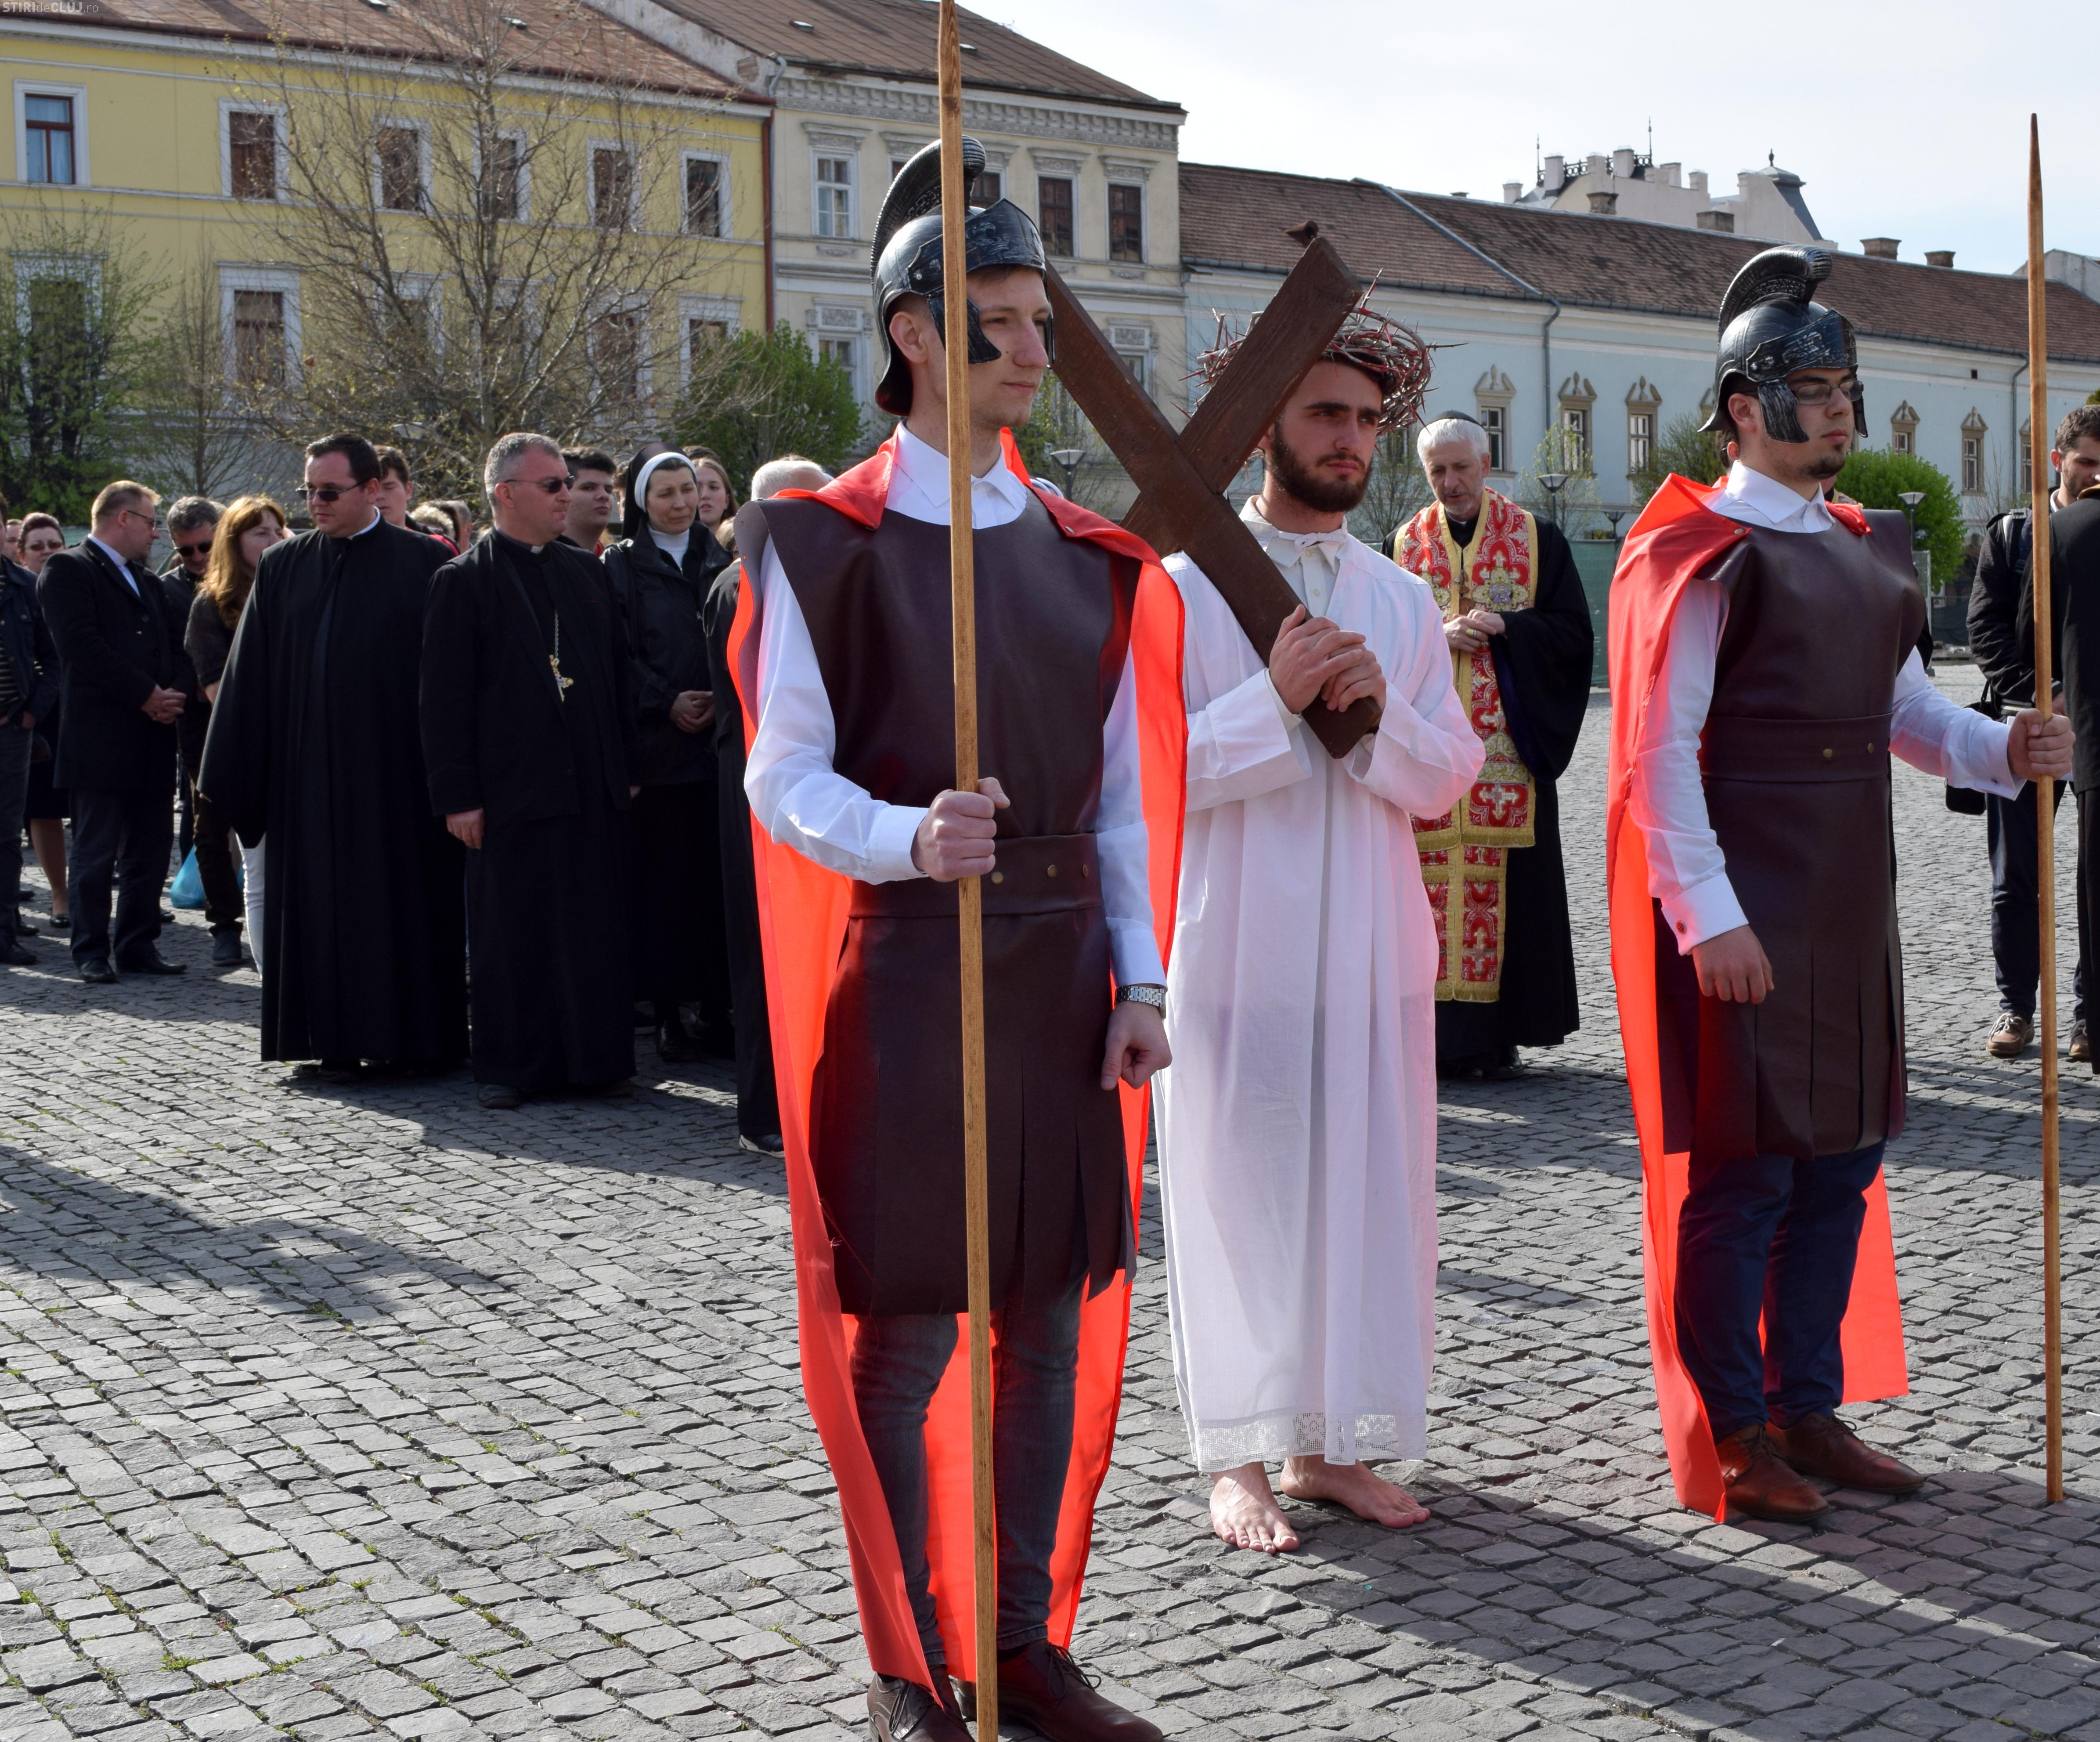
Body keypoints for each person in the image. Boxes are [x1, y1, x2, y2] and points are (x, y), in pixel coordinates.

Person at [737, 138, 1180, 1742]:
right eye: (1001, 318)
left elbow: (1120, 796)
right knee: (912, 1324)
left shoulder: (1084, 558)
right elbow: (779, 772)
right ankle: (905, 1663)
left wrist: (1141, 980)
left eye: (1041, 319)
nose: (1033, 346)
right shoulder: (823, 546)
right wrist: (905, 835)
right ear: (914, 331)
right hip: (912, 974)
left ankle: (1015, 1644)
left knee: (1042, 1321)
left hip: (1059, 976)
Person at [1608, 246, 2074, 1523]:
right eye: (1813, 390)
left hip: (1847, 900)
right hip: (1747, 904)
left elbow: (1908, 715)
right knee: (1747, 1175)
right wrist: (1708, 917)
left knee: (1840, 1164)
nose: (1839, 409)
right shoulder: (1695, 552)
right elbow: (1654, 754)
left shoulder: (1870, 550)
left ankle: (1806, 1403)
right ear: (1744, 405)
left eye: (1845, 388)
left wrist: (2005, 747)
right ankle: (1734, 1428)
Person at [1154, 314, 1482, 1556]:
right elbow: (1140, 773)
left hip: (1369, 938)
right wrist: (1274, 703)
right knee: (1236, 1187)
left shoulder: (1400, 597)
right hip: (1233, 930)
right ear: (1262, 430)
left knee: (1361, 1182)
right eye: (1323, 415)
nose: (1348, 439)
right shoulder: (1182, 586)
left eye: (1362, 420)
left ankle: (1328, 1441)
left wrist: (1376, 709)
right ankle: (1236, 1453)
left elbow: (1447, 773)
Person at [200, 434, 468, 1078]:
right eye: (308, 491)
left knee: (401, 912)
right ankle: (332, 1043)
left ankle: (415, 1045)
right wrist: (233, 774)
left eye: (329, 491)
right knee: (320, 914)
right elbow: (249, 677)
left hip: (399, 784)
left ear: (372, 489)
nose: (314, 503)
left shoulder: (426, 561)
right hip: (310, 783)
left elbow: (453, 678)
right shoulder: (284, 566)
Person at [422, 433, 640, 1110]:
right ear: (506, 493)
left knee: (591, 924)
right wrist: (458, 796)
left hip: (589, 784)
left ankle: (597, 1061)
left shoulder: (586, 572)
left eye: (567, 483)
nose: (566, 495)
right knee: (512, 930)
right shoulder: (462, 581)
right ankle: (513, 1065)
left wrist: (627, 766)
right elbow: (443, 699)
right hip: (508, 791)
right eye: (552, 485)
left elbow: (619, 675)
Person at [1394, 415, 1591, 1079]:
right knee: (1421, 897)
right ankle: (1433, 1041)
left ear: (1486, 464)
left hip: (1508, 757)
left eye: (1461, 468)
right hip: (1427, 757)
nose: (1450, 482)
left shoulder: (1538, 538)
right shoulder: (1402, 544)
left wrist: (1510, 627)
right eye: (1437, 471)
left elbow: (1573, 636)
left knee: (1508, 895)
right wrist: (1435, 635)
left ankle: (1496, 1039)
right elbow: (1375, 637)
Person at [702, 456, 831, 1156]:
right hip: (760, 782)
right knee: (766, 948)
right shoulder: (746, 582)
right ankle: (769, 1110)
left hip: (802, 780)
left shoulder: (796, 573)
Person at [1970, 404, 2100, 1061]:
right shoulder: (2014, 533)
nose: (2097, 475)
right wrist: (2044, 690)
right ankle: (2017, 1007)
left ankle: (2088, 1015)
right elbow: (1986, 627)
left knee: (2094, 877)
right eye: (2086, 462)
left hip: (2094, 731)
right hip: (2026, 724)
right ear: (2057, 462)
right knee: (2016, 877)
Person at [604, 447, 735, 1064]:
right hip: (659, 753)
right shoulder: (621, 565)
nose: (682, 503)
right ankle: (666, 1015)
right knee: (663, 888)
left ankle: (715, 1007)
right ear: (642, 501)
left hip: (719, 748)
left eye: (689, 489)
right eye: (666, 493)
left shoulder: (721, 557)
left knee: (716, 887)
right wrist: (666, 701)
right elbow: (616, 653)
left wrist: (718, 697)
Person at [38, 481, 187, 983]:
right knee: (96, 851)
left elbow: (175, 643)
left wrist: (173, 694)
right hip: (100, 738)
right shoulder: (69, 568)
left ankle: (138, 944)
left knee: (151, 849)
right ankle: (91, 949)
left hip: (153, 736)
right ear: (124, 518)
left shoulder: (146, 580)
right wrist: (147, 694)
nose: (156, 534)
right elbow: (81, 645)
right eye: (151, 522)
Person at [188, 497, 287, 962]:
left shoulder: (294, 590)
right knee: (258, 871)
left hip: (298, 750)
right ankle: (268, 978)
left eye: (277, 531)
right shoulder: (210, 605)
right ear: (234, 541)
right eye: (260, 533)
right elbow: (217, 694)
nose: (273, 540)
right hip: (246, 753)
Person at [158, 496, 235, 954]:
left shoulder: (258, 577)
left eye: (205, 546)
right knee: (208, 827)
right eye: (185, 551)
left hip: (255, 717)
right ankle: (224, 923)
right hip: (199, 723)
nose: (197, 558)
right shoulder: (167, 591)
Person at [0, 516, 59, 965]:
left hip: (11, 730)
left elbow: (53, 659)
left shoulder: (24, 586)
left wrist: (30, 713)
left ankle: (4, 934)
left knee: (6, 836)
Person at [15, 513, 70, 932]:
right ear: (22, 554)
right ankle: (60, 895)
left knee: (103, 809)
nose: (47, 551)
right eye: (37, 546)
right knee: (44, 810)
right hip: (40, 715)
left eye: (54, 544)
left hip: (85, 709)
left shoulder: (81, 585)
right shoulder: (17, 594)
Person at [562, 448, 620, 554]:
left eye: (608, 490)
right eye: (589, 488)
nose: (604, 496)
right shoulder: (538, 557)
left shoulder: (620, 559)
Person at [683, 449, 737, 556]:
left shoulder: (744, 546)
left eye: (714, 487)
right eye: (697, 488)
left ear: (727, 500)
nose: (705, 495)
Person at [372, 445, 418, 530]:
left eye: (389, 487)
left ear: (408, 491)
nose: (379, 496)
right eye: (372, 490)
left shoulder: (432, 539)